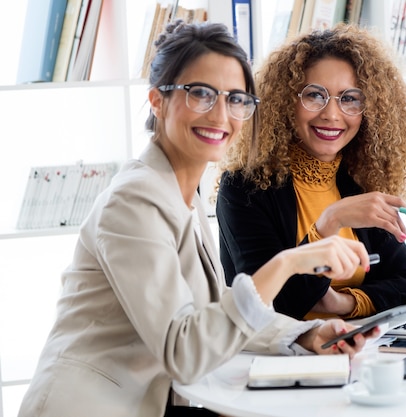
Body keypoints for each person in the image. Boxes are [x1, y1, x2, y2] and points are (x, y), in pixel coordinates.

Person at [18, 22, 380, 417]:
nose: (221, 115)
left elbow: (214, 309)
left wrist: (308, 333)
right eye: (201, 94)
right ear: (157, 100)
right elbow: (184, 351)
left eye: (236, 99)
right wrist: (289, 261)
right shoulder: (134, 201)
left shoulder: (180, 193)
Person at [217, 24, 406, 321]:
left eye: (350, 99)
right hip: (280, 359)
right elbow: (271, 303)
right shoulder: (245, 188)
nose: (332, 114)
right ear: (285, 102)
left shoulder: (356, 181)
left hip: (357, 346)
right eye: (315, 95)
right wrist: (332, 221)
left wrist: (343, 304)